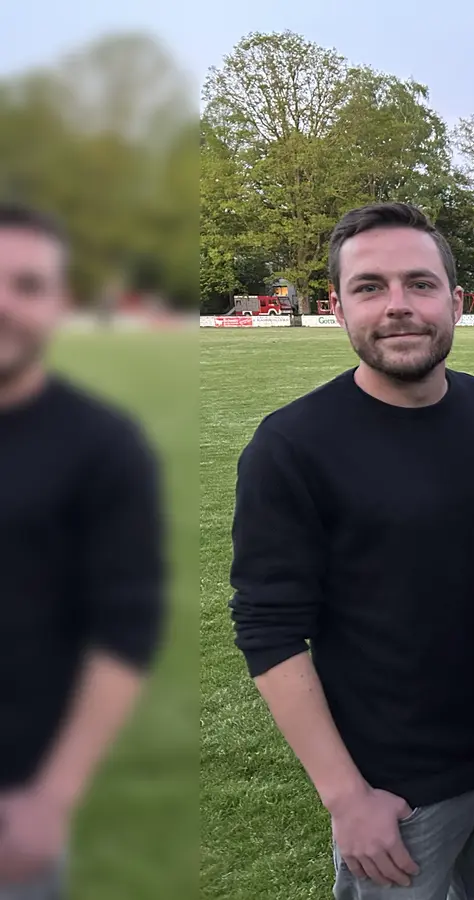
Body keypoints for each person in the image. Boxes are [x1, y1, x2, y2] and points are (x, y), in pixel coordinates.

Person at [228, 202, 474, 900]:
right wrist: (345, 798)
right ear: (338, 307)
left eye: (420, 284)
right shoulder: (292, 448)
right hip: (396, 797)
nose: (399, 306)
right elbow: (269, 630)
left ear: (455, 302)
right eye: (371, 287)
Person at [0, 202, 167, 899]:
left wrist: (53, 797)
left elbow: (124, 628)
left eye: (28, 286)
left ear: (61, 302)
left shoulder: (102, 446)